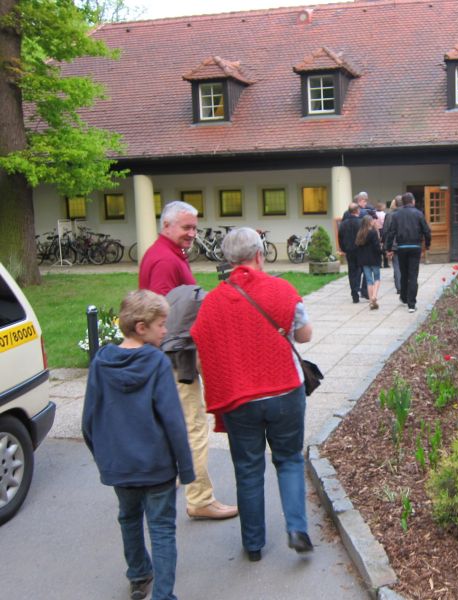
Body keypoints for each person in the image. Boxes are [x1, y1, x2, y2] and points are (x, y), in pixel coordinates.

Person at [191, 227, 314, 561]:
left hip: (239, 398)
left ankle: (253, 545)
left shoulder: (212, 302)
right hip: (285, 390)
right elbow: (304, 335)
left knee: (247, 469)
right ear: (260, 255)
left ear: (228, 260)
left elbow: (201, 351)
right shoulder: (282, 289)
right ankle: (297, 529)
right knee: (289, 459)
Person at [82, 290, 195, 600]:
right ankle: (163, 595)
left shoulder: (101, 363)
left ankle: (138, 573)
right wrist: (185, 468)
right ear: (142, 327)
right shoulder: (157, 363)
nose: (165, 330)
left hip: (119, 465)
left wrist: (104, 458)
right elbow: (173, 420)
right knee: (162, 528)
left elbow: (88, 419)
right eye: (161, 324)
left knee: (128, 517)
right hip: (156, 465)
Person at [138, 200, 237, 521]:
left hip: (169, 355)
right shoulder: (164, 260)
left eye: (194, 227)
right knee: (193, 426)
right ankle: (200, 498)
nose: (192, 233)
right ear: (166, 225)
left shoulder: (166, 253)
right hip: (176, 357)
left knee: (175, 423)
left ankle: (175, 475)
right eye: (186, 227)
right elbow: (162, 315)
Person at [384, 192, 431, 313]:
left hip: (402, 248)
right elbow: (426, 231)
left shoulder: (396, 215)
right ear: (413, 201)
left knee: (404, 274)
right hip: (415, 247)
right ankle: (412, 304)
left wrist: (389, 248)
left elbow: (391, 233)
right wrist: (427, 245)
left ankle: (404, 298)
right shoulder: (419, 214)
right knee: (413, 276)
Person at [338, 202, 368, 303]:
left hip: (349, 251)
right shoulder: (361, 223)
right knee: (364, 270)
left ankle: (354, 293)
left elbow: (340, 238)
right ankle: (363, 290)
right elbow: (365, 236)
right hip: (360, 250)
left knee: (352, 272)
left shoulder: (343, 224)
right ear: (357, 211)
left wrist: (343, 249)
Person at [355, 215, 382, 310]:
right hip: (374, 259)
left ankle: (371, 301)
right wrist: (382, 251)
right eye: (372, 220)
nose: (374, 221)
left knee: (369, 280)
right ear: (370, 222)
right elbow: (376, 247)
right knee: (377, 278)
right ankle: (374, 296)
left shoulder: (360, 233)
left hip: (364, 260)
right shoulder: (373, 233)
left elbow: (358, 247)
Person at [382, 195, 402, 293]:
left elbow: (385, 231)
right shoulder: (407, 213)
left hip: (394, 244)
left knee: (397, 266)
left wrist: (386, 247)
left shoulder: (390, 215)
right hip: (405, 243)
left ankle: (399, 287)